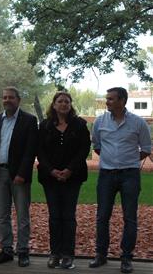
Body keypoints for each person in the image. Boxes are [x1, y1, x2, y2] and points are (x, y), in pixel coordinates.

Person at [90, 87, 151, 274]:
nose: (107, 101)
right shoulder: (100, 121)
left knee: (130, 218)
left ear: (122, 100)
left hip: (130, 175)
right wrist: (111, 161)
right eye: (107, 98)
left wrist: (128, 161)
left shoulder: (139, 123)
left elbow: (146, 148)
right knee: (102, 217)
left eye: (111, 99)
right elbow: (97, 146)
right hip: (106, 175)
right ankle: (101, 255)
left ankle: (126, 258)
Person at [37, 92, 90, 269]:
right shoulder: (44, 126)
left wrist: (69, 170)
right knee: (54, 216)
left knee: (68, 216)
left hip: (72, 178)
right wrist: (51, 170)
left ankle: (68, 255)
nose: (63, 104)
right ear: (53, 105)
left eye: (67, 101)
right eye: (60, 101)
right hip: (49, 178)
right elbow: (40, 151)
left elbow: (84, 150)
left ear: (71, 105)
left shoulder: (80, 125)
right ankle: (55, 253)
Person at [0, 86, 38, 267]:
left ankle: (23, 250)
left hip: (19, 175)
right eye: (4, 97)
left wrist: (22, 173)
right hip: (0, 173)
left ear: (18, 100)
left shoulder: (29, 120)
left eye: (11, 97)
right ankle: (7, 249)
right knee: (2, 214)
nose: (7, 100)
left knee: (22, 215)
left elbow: (30, 150)